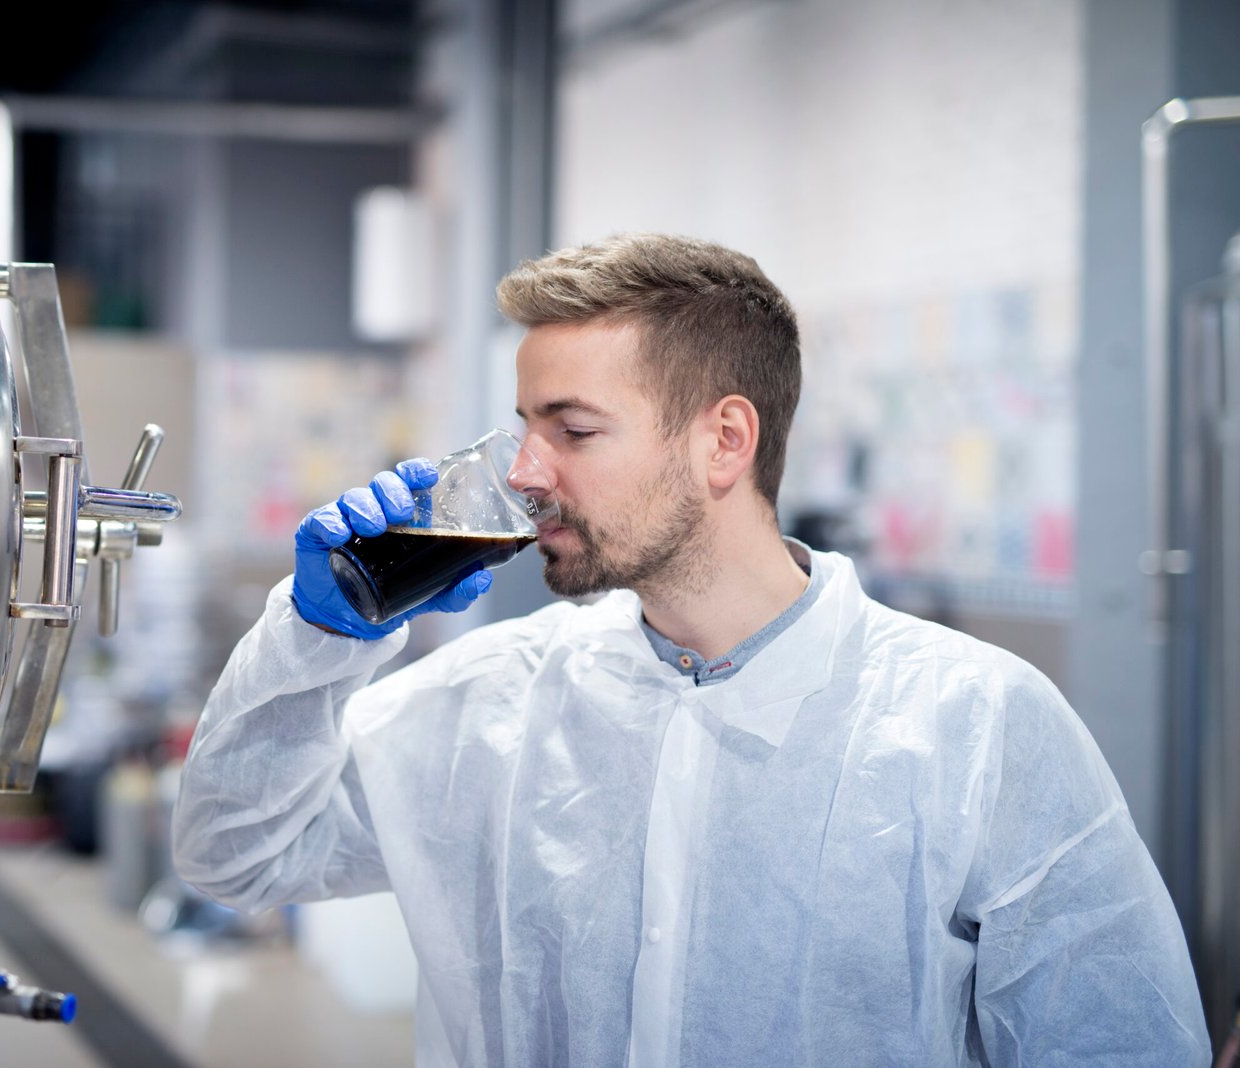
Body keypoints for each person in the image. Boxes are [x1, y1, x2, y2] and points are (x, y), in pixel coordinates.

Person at [171, 233, 1208, 1066]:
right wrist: (317, 637)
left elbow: (1116, 1043)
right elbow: (235, 856)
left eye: (573, 430)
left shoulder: (975, 725)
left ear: (724, 441)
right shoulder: (488, 702)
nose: (525, 473)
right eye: (525, 427)